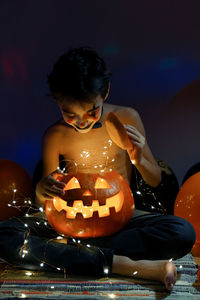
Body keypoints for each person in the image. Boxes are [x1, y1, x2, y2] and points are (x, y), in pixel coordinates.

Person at [0, 47, 196, 292]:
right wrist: (42, 189)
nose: (82, 121)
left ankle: (71, 253)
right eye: (69, 114)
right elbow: (45, 203)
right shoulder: (55, 136)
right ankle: (122, 264)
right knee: (5, 234)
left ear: (105, 92)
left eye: (91, 111)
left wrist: (138, 157)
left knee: (183, 232)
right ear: (58, 101)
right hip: (69, 222)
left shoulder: (127, 117)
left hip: (121, 219)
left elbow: (155, 179)